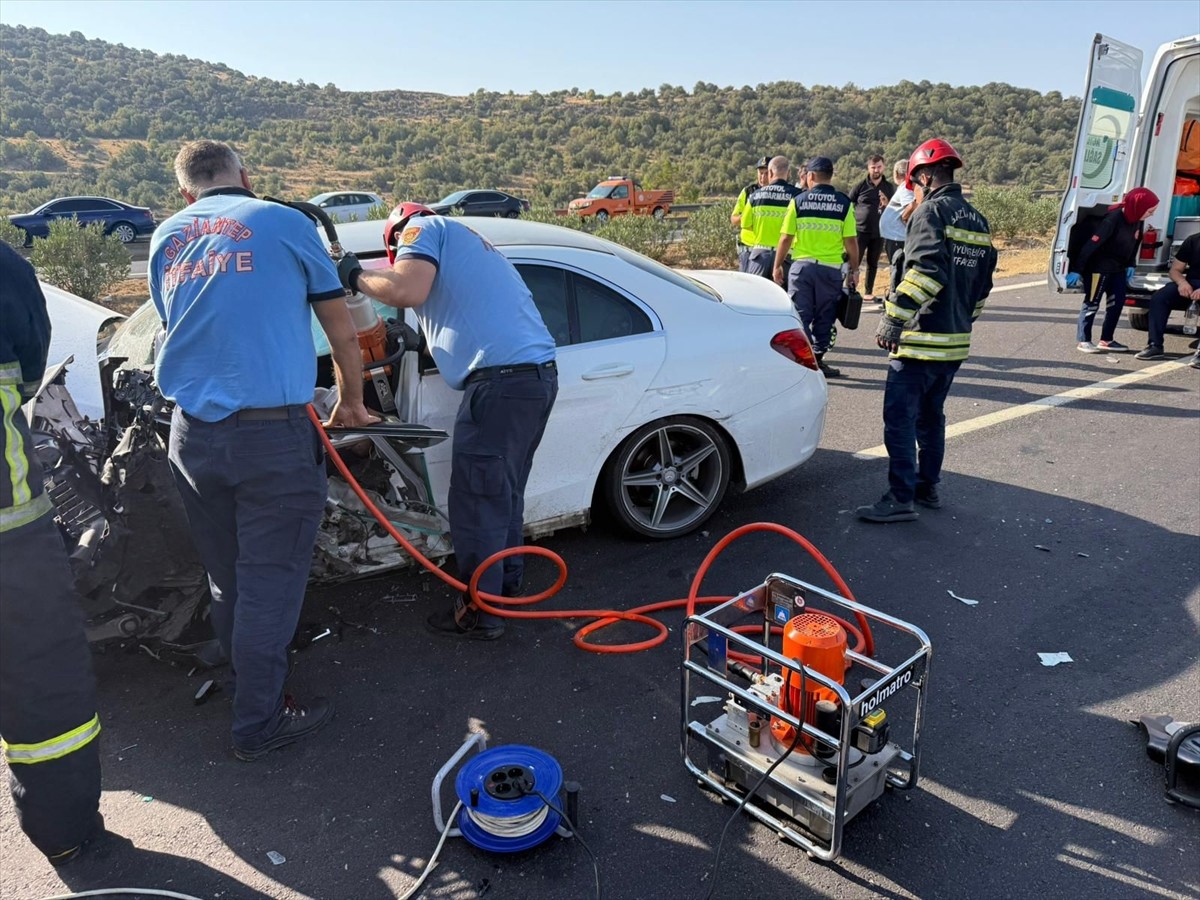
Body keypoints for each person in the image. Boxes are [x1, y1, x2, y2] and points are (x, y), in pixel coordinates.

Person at [149, 140, 377, 761]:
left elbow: (183, 322)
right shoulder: (283, 221)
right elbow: (342, 328)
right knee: (271, 583)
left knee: (229, 579)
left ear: (184, 191)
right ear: (245, 177)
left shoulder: (167, 235)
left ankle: (243, 678)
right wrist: (352, 402)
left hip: (192, 434)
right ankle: (260, 722)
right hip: (268, 437)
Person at [337, 204, 558, 642]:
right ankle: (504, 589)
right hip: (533, 380)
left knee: (478, 502)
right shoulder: (473, 247)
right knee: (502, 495)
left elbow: (406, 290)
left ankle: (481, 613)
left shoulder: (424, 227)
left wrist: (354, 276)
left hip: (500, 386)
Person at [0, 241, 103, 865]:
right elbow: (32, 371)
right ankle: (63, 833)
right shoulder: (3, 267)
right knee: (46, 690)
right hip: (8, 532)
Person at [857, 138, 997, 523]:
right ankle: (927, 488)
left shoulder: (931, 213)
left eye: (914, 182)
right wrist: (963, 320)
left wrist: (895, 317)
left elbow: (925, 271)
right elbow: (982, 288)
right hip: (954, 343)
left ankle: (900, 498)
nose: (913, 190)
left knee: (900, 420)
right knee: (932, 418)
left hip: (920, 342)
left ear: (926, 176)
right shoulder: (977, 219)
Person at [773, 156, 859, 378]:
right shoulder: (844, 203)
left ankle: (804, 360)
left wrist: (777, 266)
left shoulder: (799, 201)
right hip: (830, 271)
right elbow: (851, 242)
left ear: (810, 176)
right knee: (825, 316)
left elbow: (785, 238)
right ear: (831, 176)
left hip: (802, 269)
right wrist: (855, 270)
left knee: (800, 315)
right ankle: (818, 360)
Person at [1072, 187, 1160, 353]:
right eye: (1150, 211)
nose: (1151, 214)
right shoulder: (1112, 220)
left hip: (1118, 268)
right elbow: (1091, 245)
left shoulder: (1137, 219)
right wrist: (1078, 269)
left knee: (1117, 303)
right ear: (1139, 206)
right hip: (1098, 268)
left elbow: (1134, 244)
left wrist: (1131, 264)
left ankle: (1106, 339)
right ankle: (1083, 340)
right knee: (1092, 304)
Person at [1134, 230, 1200, 366]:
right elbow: (1175, 270)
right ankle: (1154, 345)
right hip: (1191, 285)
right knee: (1160, 297)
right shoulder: (1193, 240)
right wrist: (1182, 283)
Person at [740, 156, 804, 279]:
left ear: (770, 172)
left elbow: (745, 224)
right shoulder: (798, 196)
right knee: (783, 296)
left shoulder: (755, 195)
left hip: (759, 256)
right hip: (786, 256)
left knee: (756, 295)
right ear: (789, 173)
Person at [847, 155, 895, 301]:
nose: (876, 170)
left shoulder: (889, 187)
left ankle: (868, 292)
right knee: (854, 262)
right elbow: (848, 204)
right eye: (873, 167)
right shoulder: (860, 185)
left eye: (879, 167)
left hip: (879, 232)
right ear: (868, 168)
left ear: (884, 167)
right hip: (860, 231)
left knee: (872, 263)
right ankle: (849, 290)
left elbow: (894, 208)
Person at [879, 159, 916, 296]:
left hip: (897, 237)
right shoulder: (905, 187)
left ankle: (896, 297)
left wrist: (905, 219)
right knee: (896, 267)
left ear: (896, 173)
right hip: (895, 235)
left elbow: (911, 206)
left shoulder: (906, 187)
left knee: (897, 268)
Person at [731, 155, 772, 272]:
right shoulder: (748, 191)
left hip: (766, 250)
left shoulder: (778, 194)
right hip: (747, 248)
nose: (763, 177)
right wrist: (748, 216)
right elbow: (734, 219)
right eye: (760, 173)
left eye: (766, 173)